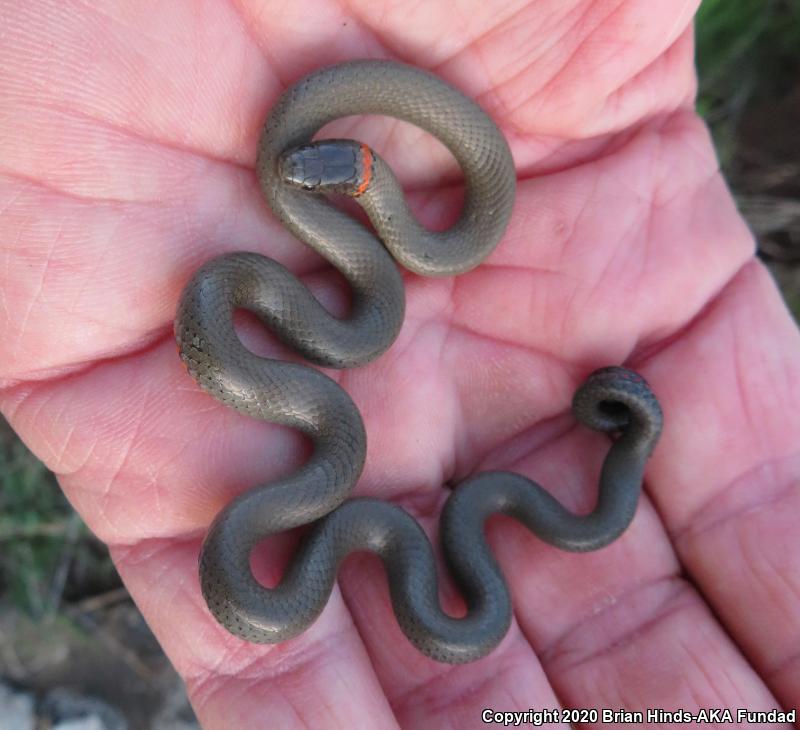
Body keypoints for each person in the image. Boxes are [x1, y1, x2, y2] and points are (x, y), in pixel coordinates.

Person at [1, 1, 797, 727]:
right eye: (302, 169)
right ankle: (606, 454)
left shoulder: (388, 273)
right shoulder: (320, 289)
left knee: (367, 362)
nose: (290, 170)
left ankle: (614, 456)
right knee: (350, 343)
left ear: (358, 180)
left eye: (314, 168)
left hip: (361, 305)